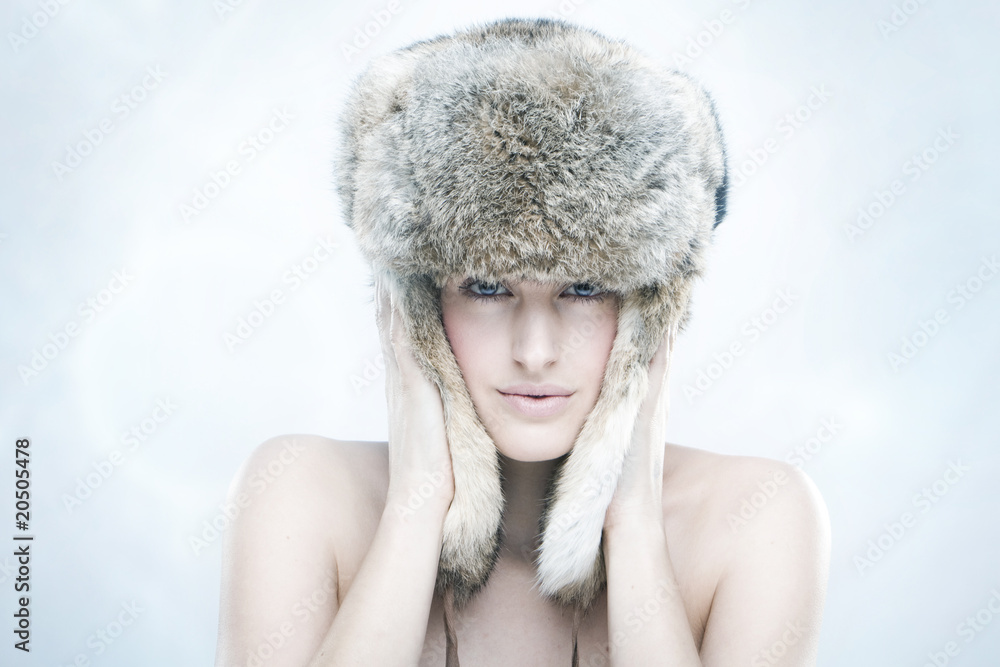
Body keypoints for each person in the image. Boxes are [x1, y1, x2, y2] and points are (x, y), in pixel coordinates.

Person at [214, 17, 830, 667]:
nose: (534, 352)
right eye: (486, 286)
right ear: (415, 305)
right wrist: (415, 504)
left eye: (585, 287)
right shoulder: (299, 493)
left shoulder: (757, 521)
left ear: (652, 310)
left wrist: (635, 527)